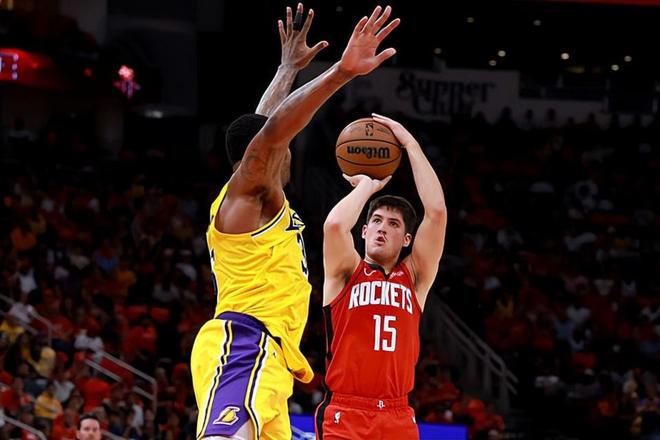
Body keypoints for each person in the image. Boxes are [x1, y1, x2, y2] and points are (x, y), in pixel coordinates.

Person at [190, 4, 400, 440]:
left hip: (270, 355)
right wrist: (341, 72)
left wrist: (287, 69)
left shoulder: (257, 197)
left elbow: (265, 128)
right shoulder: (247, 196)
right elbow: (271, 134)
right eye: (281, 147)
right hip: (244, 343)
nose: (289, 150)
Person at [314, 113, 447, 439]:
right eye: (375, 221)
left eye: (393, 223)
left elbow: (436, 213)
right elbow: (334, 226)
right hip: (345, 410)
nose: (382, 228)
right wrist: (367, 186)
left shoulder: (414, 277)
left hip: (397, 414)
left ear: (407, 239)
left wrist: (410, 144)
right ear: (363, 231)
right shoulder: (346, 271)